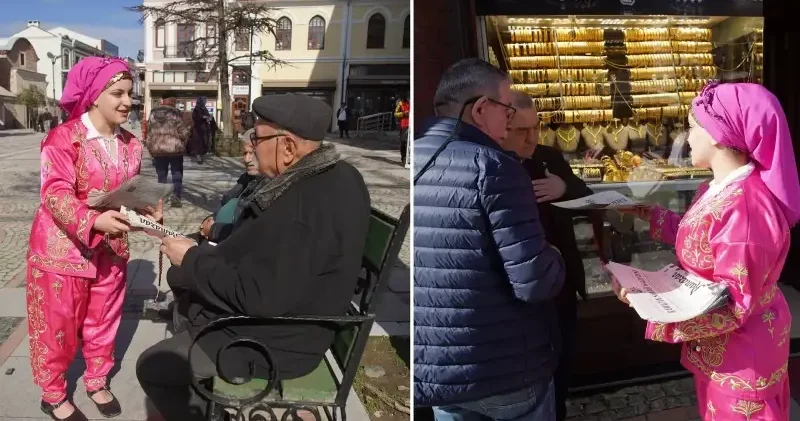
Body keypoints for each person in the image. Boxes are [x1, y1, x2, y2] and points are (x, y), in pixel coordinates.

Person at [136, 93, 371, 420]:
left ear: (288, 147)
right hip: (296, 317)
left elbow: (261, 296)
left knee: (153, 367)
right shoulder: (335, 175)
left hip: (277, 340)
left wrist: (191, 259)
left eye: (257, 138)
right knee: (183, 304)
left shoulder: (303, 205)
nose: (251, 145)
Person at [614, 83, 799, 421]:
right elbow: (703, 240)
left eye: (691, 127)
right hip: (726, 353)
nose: (686, 138)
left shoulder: (744, 207)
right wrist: (653, 216)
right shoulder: (719, 190)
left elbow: (732, 305)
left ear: (716, 134)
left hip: (743, 360)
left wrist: (650, 304)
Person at [414, 58, 565, 421]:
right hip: (506, 371)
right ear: (481, 109)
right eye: (507, 109)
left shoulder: (416, 157)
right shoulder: (494, 166)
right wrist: (554, 256)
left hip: (439, 374)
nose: (510, 121)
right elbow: (534, 282)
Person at [25, 56, 161, 421]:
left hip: (111, 250)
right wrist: (94, 219)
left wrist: (146, 210)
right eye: (118, 93)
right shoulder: (62, 139)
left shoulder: (131, 144)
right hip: (62, 250)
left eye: (130, 93)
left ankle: (97, 380)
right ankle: (52, 394)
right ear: (94, 95)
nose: (127, 101)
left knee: (103, 319)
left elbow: (126, 192)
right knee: (59, 326)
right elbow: (54, 193)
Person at [504, 91, 601, 421]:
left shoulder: (548, 157)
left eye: (537, 127)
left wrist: (565, 188)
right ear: (503, 127)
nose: (532, 138)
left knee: (560, 367)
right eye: (522, 130)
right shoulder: (494, 165)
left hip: (560, 288)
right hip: (521, 295)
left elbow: (587, 197)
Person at [199, 128, 264, 244]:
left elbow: (247, 234)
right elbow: (225, 206)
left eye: (252, 153)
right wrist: (210, 219)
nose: (247, 159)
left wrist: (213, 230)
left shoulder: (269, 189)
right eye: (244, 153)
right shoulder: (245, 180)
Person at [146, 105, 189, 209]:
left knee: (161, 175)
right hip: (175, 149)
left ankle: (162, 198)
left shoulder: (152, 115)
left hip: (158, 149)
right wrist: (184, 141)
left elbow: (149, 133)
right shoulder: (175, 114)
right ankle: (176, 197)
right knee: (177, 173)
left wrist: (150, 148)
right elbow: (183, 132)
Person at [188, 96, 210, 163]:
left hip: (204, 128)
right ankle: (198, 157)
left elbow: (207, 115)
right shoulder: (197, 109)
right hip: (198, 128)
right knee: (199, 143)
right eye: (205, 100)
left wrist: (209, 118)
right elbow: (195, 117)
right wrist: (204, 117)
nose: (206, 102)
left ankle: (201, 155)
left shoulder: (204, 108)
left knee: (204, 142)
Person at [395, 96, 410, 165]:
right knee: (403, 142)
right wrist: (403, 113)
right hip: (404, 125)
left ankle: (408, 158)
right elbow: (396, 114)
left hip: (411, 124)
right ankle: (404, 157)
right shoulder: (401, 104)